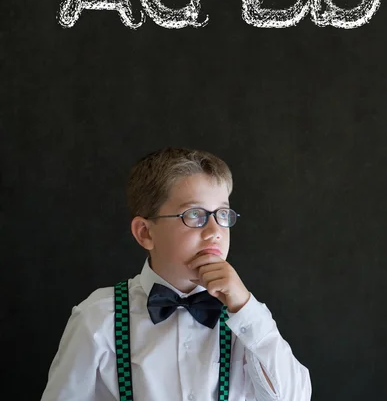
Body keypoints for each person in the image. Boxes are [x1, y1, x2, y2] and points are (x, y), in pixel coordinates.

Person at [40, 147, 312, 401]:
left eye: (222, 214)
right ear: (145, 233)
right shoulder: (99, 317)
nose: (215, 231)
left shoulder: (247, 319)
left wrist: (245, 308)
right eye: (194, 215)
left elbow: (295, 396)